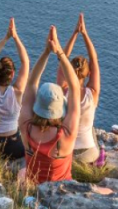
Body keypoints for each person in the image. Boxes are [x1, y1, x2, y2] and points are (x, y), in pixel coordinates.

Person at [19, 26, 82, 184]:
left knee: (21, 172)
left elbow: (32, 83)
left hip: (33, 190)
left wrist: (46, 52)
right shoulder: (67, 135)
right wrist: (59, 51)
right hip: (60, 195)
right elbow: (74, 86)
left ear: (38, 104)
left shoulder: (26, 127)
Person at [56, 13, 102, 165]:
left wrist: (75, 33)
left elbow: (62, 57)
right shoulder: (92, 94)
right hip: (89, 154)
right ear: (88, 73)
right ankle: (98, 162)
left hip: (66, 151)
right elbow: (94, 59)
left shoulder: (63, 91)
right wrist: (84, 34)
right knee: (92, 130)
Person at [0, 18, 30, 160]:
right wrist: (15, 37)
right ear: (12, 74)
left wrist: (6, 37)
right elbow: (25, 62)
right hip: (13, 145)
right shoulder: (17, 92)